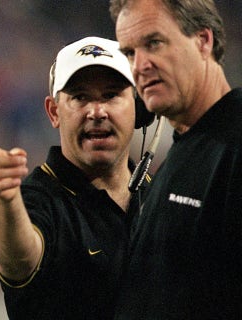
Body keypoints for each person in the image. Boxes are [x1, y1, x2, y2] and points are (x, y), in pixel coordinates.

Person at [0, 36, 149, 319]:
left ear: (138, 108)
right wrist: (7, 200)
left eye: (110, 95)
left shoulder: (159, 193)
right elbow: (17, 261)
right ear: (54, 112)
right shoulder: (36, 199)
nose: (97, 112)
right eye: (80, 97)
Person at [110, 0, 242, 318]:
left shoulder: (234, 143)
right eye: (129, 53)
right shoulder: (184, 150)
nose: (139, 65)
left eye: (154, 43)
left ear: (203, 41)